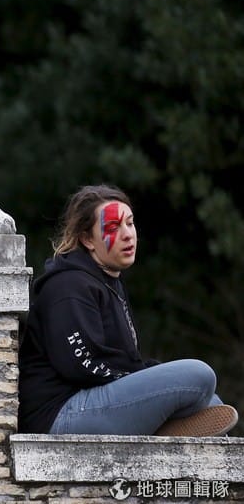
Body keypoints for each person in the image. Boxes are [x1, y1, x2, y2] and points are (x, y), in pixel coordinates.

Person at [18, 184, 238, 436]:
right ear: (87, 239)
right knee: (199, 376)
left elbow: (123, 361)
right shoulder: (67, 285)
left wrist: (146, 374)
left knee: (212, 403)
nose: (127, 234)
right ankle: (159, 429)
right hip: (61, 414)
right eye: (113, 227)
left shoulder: (107, 282)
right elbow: (80, 365)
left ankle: (162, 429)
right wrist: (144, 376)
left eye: (130, 223)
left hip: (92, 402)